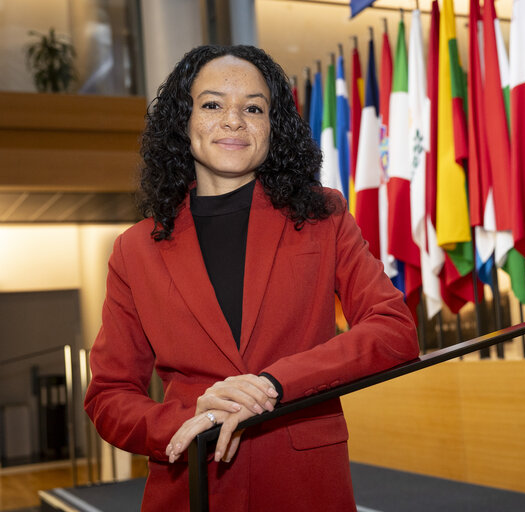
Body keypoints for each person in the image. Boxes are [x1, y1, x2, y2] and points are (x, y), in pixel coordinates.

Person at [84, 45, 419, 512]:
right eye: (213, 104)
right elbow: (109, 396)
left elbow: (394, 329)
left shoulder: (323, 216)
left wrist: (273, 384)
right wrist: (184, 423)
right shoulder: (135, 249)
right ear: (184, 121)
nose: (234, 120)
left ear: (272, 126)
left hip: (303, 487)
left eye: (254, 108)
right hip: (192, 488)